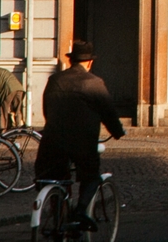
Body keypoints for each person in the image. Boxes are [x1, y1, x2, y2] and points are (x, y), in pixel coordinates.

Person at [35, 41, 125, 231]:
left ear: (71, 61)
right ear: (90, 62)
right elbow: (108, 112)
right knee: (91, 175)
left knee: (51, 176)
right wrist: (117, 131)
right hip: (82, 142)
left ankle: (56, 211)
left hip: (53, 139)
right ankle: (81, 211)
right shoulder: (94, 83)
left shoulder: (55, 80)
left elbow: (46, 109)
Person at [0, 60, 26, 129]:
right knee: (17, 110)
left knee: (3, 111)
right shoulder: (3, 70)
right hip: (19, 89)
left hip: (9, 90)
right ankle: (19, 129)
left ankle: (2, 131)